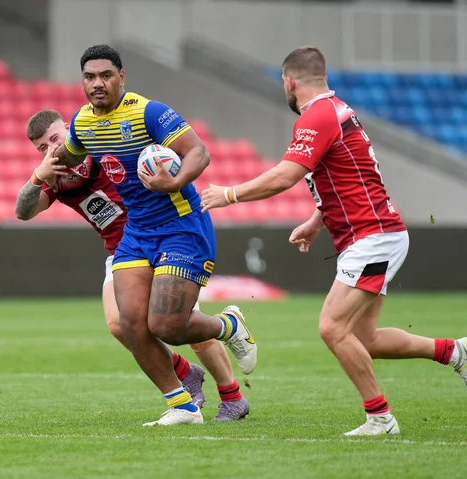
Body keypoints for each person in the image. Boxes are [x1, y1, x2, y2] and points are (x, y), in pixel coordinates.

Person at [200, 46, 467, 436]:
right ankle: (456, 352)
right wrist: (316, 220)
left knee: (332, 327)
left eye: (283, 84)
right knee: (365, 339)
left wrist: (230, 194)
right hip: (375, 234)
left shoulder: (318, 116)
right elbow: (347, 178)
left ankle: (380, 418)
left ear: (290, 82)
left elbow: (285, 176)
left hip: (372, 238)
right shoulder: (338, 111)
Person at [49, 45, 257, 426]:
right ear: (82, 81)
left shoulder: (149, 112)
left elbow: (198, 152)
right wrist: (42, 172)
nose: (98, 83)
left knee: (166, 326)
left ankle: (229, 325)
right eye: (90, 77)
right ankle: (182, 406)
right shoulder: (82, 123)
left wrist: (173, 180)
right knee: (131, 326)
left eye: (106, 76)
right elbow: (68, 155)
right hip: (137, 232)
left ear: (122, 77)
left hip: (181, 226)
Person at [14, 109, 250, 420]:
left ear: (70, 133)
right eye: (42, 149)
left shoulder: (101, 148)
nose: (52, 152)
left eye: (56, 140)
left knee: (180, 320)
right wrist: (37, 176)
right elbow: (23, 211)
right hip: (123, 250)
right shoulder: (56, 179)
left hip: (165, 237)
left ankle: (232, 395)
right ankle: (184, 373)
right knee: (118, 324)